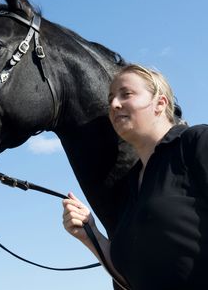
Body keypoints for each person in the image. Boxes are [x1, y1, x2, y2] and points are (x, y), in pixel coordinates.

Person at [62, 64, 208, 290]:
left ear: (160, 103)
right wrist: (90, 235)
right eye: (110, 98)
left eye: (126, 94)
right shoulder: (130, 187)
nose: (113, 104)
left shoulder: (196, 142)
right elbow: (129, 279)